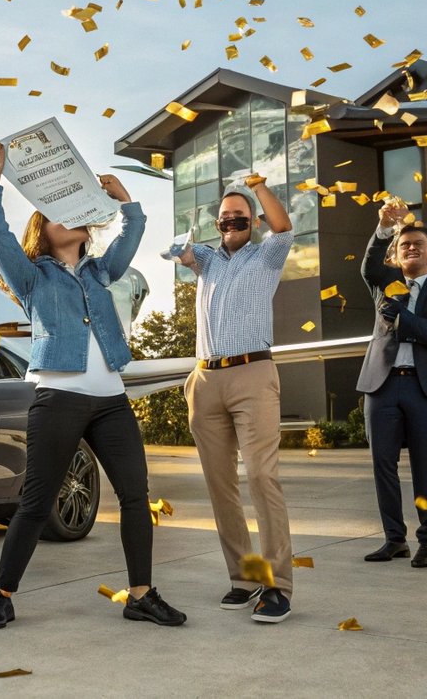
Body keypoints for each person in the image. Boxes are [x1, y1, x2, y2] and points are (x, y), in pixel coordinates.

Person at [0, 139, 186, 629]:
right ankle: (2, 595)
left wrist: (126, 198)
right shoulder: (32, 278)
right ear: (43, 233)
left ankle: (140, 595)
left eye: (71, 213)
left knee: (136, 496)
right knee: (36, 501)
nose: (65, 218)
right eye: (53, 215)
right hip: (60, 399)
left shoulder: (100, 271)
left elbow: (132, 232)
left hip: (112, 400)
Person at [163, 175, 297, 624]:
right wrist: (179, 249)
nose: (231, 223)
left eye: (239, 217)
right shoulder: (208, 258)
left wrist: (258, 188)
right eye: (224, 219)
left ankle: (277, 585)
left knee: (261, 477)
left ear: (252, 221)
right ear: (217, 224)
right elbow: (185, 254)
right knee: (221, 487)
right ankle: (243, 577)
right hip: (205, 380)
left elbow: (283, 226)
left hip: (252, 374)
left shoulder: (267, 254)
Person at [356, 200, 427, 568]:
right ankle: (394, 539)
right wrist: (385, 225)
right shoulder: (383, 282)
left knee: (425, 466)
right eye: (404, 244)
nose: (411, 248)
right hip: (382, 385)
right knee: (382, 464)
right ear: (395, 254)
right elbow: (368, 264)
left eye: (419, 244)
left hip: (424, 387)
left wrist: (404, 320)